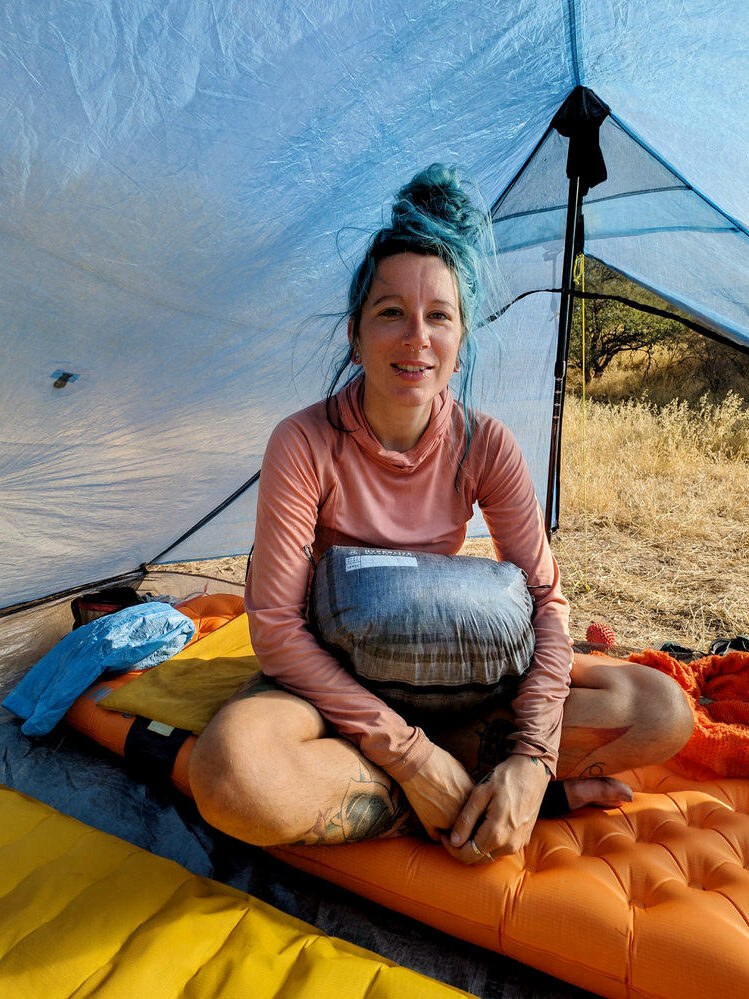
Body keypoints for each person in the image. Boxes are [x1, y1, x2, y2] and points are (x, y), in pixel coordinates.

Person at [189, 165, 693, 863]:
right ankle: (463, 795)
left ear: (460, 339)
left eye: (438, 316)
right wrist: (410, 755)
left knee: (657, 708)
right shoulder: (303, 441)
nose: (415, 337)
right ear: (355, 333)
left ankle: (483, 785)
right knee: (231, 773)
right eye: (390, 311)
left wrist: (530, 757)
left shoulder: (484, 443)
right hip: (328, 690)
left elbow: (547, 601)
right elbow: (275, 629)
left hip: (459, 684)